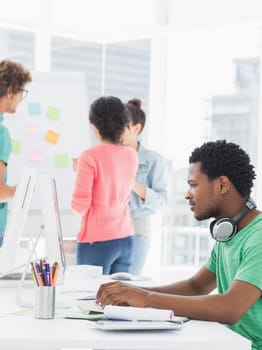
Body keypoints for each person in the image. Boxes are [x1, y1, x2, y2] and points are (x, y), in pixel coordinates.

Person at [97, 140, 262, 350]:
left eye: (193, 184)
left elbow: (229, 308)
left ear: (222, 185)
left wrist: (146, 298)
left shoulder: (258, 236)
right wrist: (130, 293)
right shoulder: (230, 234)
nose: (187, 194)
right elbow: (196, 286)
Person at [71, 96, 138, 274]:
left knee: (90, 299)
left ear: (94, 126)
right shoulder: (131, 155)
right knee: (119, 300)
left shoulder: (89, 156)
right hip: (125, 239)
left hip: (96, 242)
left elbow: (80, 206)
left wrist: (79, 173)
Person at [121, 98, 167, 275]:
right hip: (108, 227)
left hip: (136, 228)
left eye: (121, 126)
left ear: (136, 128)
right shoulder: (108, 155)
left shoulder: (152, 159)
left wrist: (131, 184)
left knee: (127, 285)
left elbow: (162, 201)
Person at [0, 59, 32, 246]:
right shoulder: (1, 134)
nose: (21, 98)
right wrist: (24, 190)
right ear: (10, 91)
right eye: (21, 92)